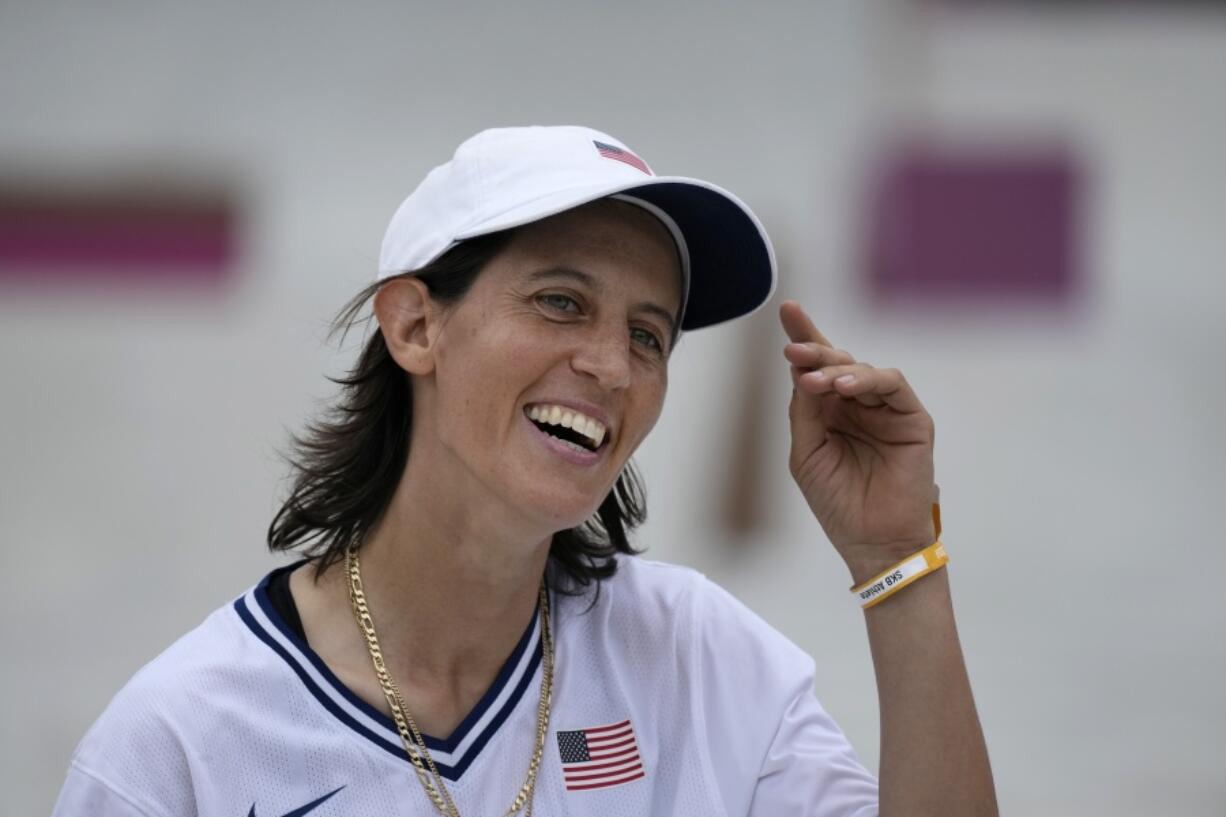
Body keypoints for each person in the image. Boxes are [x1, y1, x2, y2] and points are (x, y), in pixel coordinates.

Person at [52, 125, 997, 816]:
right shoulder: (177, 745)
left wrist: (898, 559)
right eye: (559, 301)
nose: (612, 366)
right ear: (415, 325)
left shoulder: (705, 664)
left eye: (647, 334)